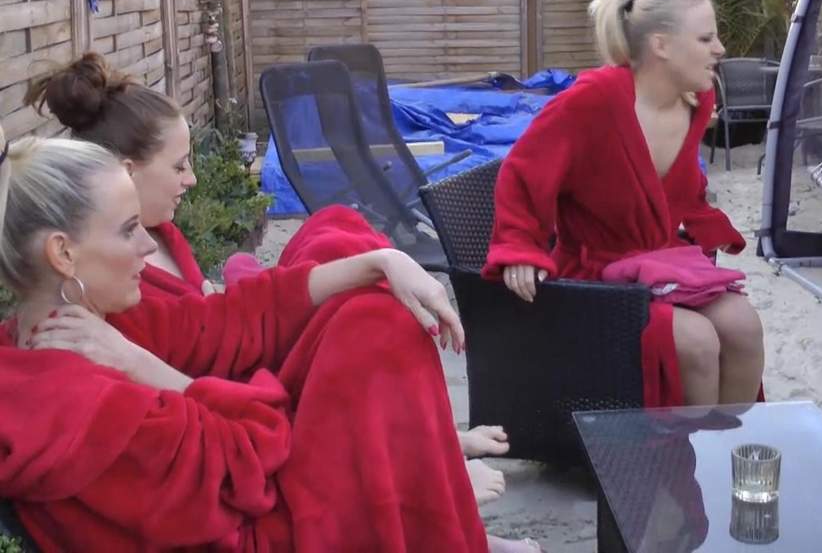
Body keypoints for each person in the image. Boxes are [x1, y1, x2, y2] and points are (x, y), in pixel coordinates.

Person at [0, 127, 539, 552]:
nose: (147, 246)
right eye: (127, 230)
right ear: (63, 254)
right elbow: (259, 444)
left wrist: (381, 260)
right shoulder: (88, 401)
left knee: (343, 245)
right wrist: (141, 364)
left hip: (238, 493)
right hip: (267, 535)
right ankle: (432, 497)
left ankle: (431, 487)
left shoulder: (80, 325)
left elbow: (226, 322)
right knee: (380, 332)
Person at [25, 52, 512, 498]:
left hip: (232, 356)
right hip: (237, 398)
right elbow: (204, 356)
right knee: (374, 319)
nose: (192, 178)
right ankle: (427, 473)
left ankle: (426, 441)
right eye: (179, 166)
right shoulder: (115, 291)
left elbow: (212, 317)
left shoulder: (160, 237)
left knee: (337, 229)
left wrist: (383, 261)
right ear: (127, 173)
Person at [483, 0, 764, 407]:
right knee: (697, 342)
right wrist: (519, 245)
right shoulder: (594, 100)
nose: (720, 49)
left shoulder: (696, 103)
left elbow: (681, 188)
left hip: (663, 263)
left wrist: (704, 221)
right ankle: (686, 448)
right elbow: (523, 170)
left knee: (744, 326)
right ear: (661, 45)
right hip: (597, 277)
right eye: (706, 38)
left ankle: (733, 443)